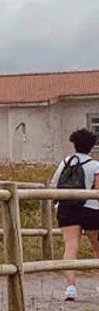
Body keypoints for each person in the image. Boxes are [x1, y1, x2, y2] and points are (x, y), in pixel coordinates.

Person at [49, 128, 99, 301]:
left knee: (71, 247)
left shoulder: (64, 163)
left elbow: (54, 184)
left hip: (67, 207)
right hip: (91, 208)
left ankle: (71, 287)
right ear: (92, 146)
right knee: (96, 246)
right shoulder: (95, 165)